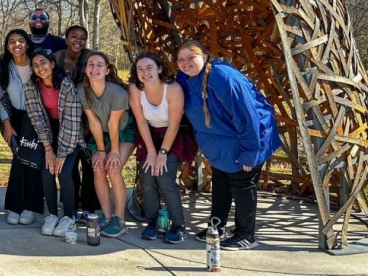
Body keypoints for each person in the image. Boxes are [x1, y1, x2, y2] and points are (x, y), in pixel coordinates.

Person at [176, 40, 280, 250]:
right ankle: (217, 226)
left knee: (242, 186)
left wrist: (250, 153)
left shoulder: (224, 79)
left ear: (205, 57)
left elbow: (247, 118)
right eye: (180, 59)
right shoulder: (187, 79)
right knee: (221, 183)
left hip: (247, 141)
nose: (185, 63)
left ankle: (246, 235)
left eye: (191, 58)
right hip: (220, 146)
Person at [129, 52, 196, 244]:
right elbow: (141, 121)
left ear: (159, 68)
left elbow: (174, 126)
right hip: (149, 135)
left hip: (172, 136)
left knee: (165, 178)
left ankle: (178, 225)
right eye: (140, 69)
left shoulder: (173, 89)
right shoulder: (135, 89)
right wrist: (151, 152)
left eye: (149, 67)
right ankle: (152, 221)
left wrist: (163, 153)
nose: (145, 73)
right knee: (148, 176)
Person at [23, 50, 86, 238]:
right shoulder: (31, 87)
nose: (40, 68)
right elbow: (37, 118)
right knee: (47, 170)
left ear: (52, 63)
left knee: (65, 172)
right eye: (35, 65)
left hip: (70, 132)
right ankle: (51, 214)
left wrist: (62, 154)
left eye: (43, 63)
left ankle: (69, 218)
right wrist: (49, 150)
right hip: (48, 133)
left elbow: (72, 121)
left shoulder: (66, 85)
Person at [79, 51, 135, 237]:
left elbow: (114, 124)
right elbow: (93, 122)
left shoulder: (117, 92)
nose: (94, 69)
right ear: (86, 69)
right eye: (91, 65)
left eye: (99, 65)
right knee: (98, 168)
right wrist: (102, 150)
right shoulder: (82, 90)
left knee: (113, 168)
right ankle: (106, 215)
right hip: (101, 133)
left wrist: (114, 152)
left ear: (107, 69)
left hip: (123, 131)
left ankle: (119, 220)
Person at [0, 30, 43, 226]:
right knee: (18, 159)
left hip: (38, 118)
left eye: (21, 41)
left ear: (28, 44)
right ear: (7, 46)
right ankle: (15, 206)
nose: (16, 44)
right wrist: (7, 125)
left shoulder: (38, 63)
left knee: (33, 160)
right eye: (12, 41)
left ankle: (30, 207)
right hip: (14, 118)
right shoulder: (3, 68)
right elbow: (0, 98)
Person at [53, 25, 98, 217]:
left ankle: (89, 205)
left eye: (82, 38)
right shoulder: (57, 58)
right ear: (66, 38)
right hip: (64, 117)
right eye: (74, 36)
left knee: (89, 164)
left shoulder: (91, 57)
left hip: (90, 114)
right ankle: (70, 203)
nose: (78, 41)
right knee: (68, 165)